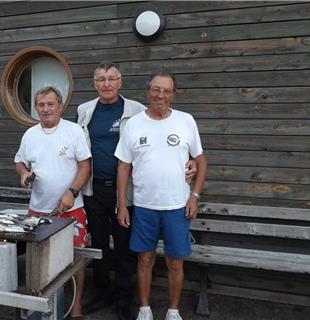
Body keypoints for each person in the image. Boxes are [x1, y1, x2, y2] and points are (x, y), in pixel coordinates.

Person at [77, 62, 197, 320]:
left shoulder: (137, 110)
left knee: (124, 248)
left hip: (128, 192)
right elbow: (78, 147)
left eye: (111, 78)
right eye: (101, 79)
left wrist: (193, 162)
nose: (106, 84)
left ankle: (123, 299)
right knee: (98, 245)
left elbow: (162, 140)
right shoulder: (84, 111)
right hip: (95, 189)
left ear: (120, 81)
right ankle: (102, 294)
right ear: (94, 83)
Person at [115, 72, 207, 320]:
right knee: (144, 259)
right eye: (156, 90)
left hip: (178, 206)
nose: (160, 95)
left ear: (173, 94)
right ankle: (145, 309)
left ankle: (173, 311)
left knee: (175, 262)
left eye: (166, 91)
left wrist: (194, 196)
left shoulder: (185, 121)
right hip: (144, 206)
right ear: (148, 92)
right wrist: (122, 204)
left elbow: (200, 160)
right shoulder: (133, 124)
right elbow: (123, 166)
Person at [15, 86, 91, 320]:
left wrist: (72, 192)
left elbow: (85, 166)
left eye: (50, 104)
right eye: (41, 105)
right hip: (39, 209)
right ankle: (42, 305)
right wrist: (23, 174)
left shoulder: (74, 131)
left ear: (60, 106)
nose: (46, 109)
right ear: (36, 108)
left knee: (77, 258)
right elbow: (19, 162)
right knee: (40, 260)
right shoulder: (30, 134)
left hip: (72, 208)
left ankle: (76, 307)